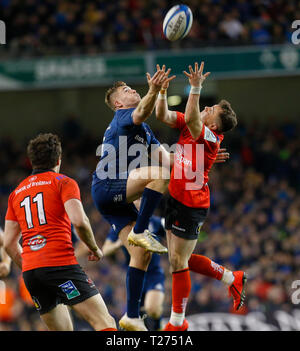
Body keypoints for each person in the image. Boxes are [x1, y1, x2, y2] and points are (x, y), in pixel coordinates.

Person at [155, 62, 247, 331]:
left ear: (215, 123)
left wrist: (196, 87)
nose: (207, 107)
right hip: (175, 196)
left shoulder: (210, 136)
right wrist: (161, 91)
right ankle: (232, 277)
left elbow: (195, 121)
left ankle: (177, 322)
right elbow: (162, 115)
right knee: (177, 258)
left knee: (178, 262)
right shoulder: (192, 122)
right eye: (208, 105)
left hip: (191, 204)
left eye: (212, 109)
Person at [3, 133, 117, 331]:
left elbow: (9, 244)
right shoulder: (63, 182)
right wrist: (94, 248)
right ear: (58, 160)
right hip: (60, 265)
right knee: (105, 323)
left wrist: (30, 266)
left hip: (32, 274)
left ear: (31, 162)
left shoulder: (16, 193)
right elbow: (79, 221)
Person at [91, 66, 175, 331]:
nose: (133, 90)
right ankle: (140, 230)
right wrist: (154, 90)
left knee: (141, 256)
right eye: (127, 90)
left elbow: (170, 161)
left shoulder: (143, 128)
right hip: (108, 185)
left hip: (114, 197)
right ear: (118, 103)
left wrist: (203, 159)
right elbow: (143, 111)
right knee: (158, 176)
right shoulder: (124, 116)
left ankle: (131, 317)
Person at [102, 215, 166, 331]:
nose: (139, 201)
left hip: (153, 274)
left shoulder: (154, 221)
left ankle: (158, 327)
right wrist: (118, 243)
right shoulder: (121, 223)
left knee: (153, 309)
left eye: (142, 198)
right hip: (134, 275)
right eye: (136, 199)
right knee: (139, 314)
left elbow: (172, 231)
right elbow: (105, 249)